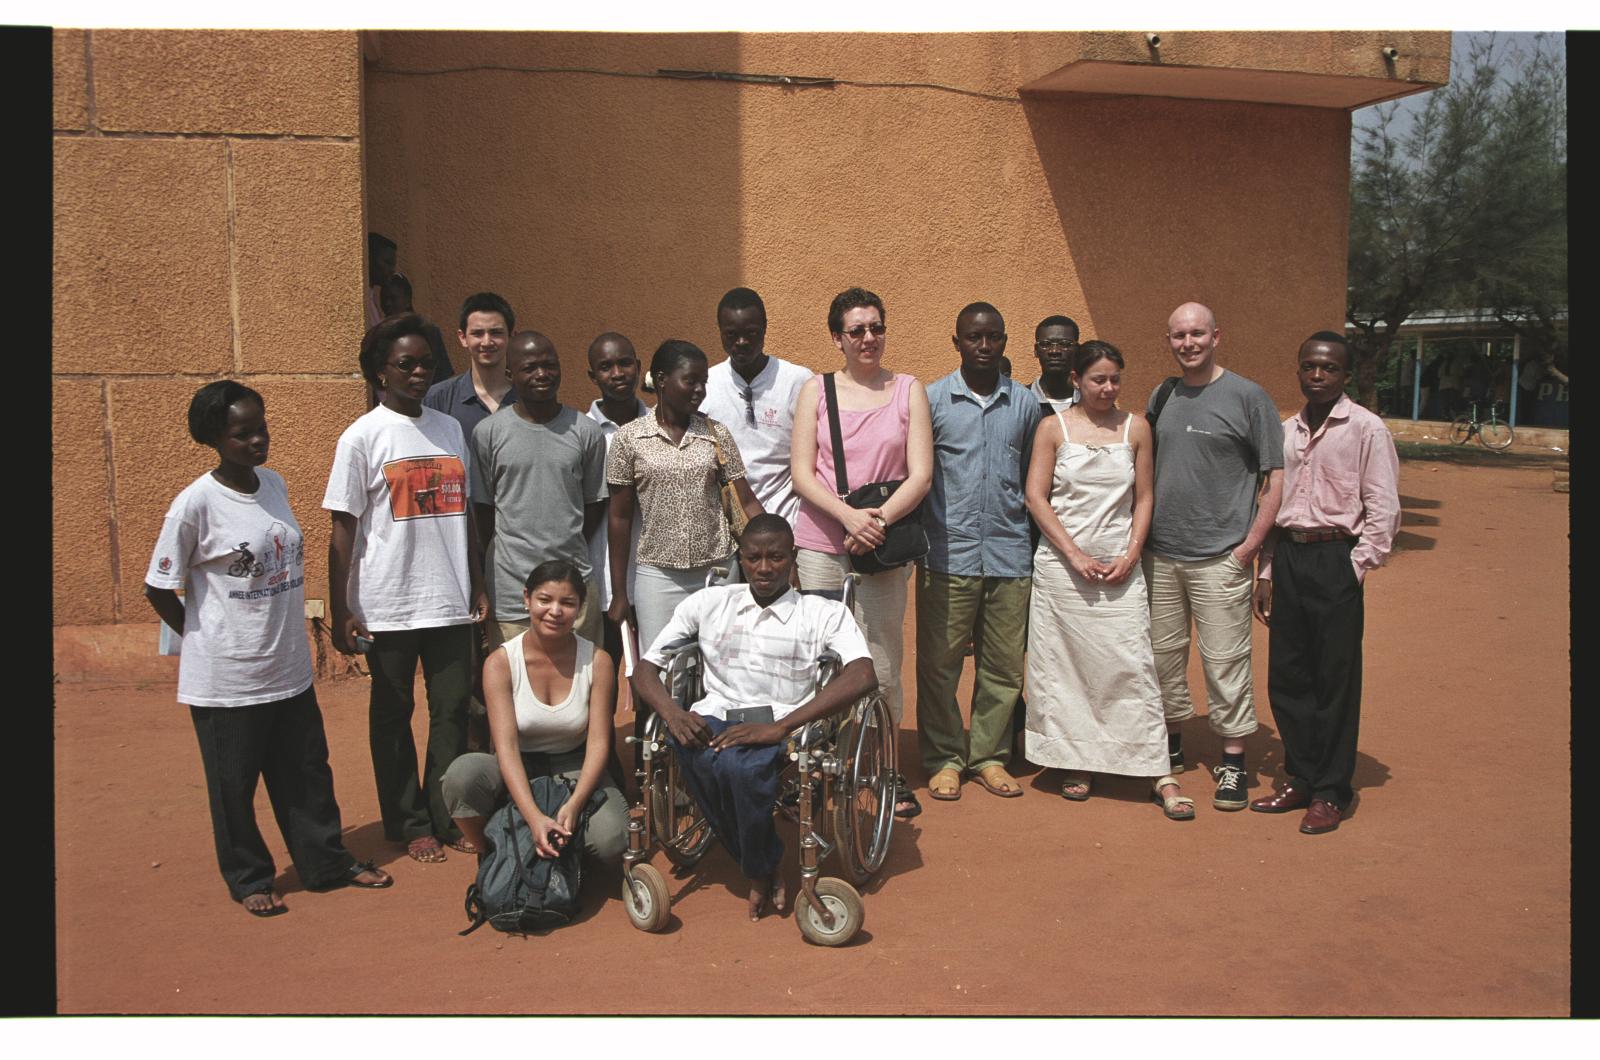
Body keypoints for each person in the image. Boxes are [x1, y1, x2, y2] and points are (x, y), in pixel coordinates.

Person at [146, 381, 392, 917]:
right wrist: (202, 637)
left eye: (261, 428)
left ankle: (325, 863)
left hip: (287, 667)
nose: (258, 440)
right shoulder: (195, 505)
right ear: (215, 438)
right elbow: (159, 587)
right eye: (243, 434)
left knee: (307, 772)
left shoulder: (273, 484)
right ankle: (249, 877)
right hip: (227, 679)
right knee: (233, 785)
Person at [633, 514, 878, 920]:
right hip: (716, 711)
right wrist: (672, 713)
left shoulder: (823, 613)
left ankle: (758, 868)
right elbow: (646, 668)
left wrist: (780, 727)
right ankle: (762, 863)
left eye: (776, 557)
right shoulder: (710, 603)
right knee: (691, 747)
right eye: (753, 558)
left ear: (793, 557)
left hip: (784, 720)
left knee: (739, 769)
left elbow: (863, 674)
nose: (764, 568)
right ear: (740, 559)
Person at [324, 313, 489, 864]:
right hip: (388, 602)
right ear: (380, 371)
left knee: (451, 711)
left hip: (448, 600)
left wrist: (476, 582)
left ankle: (444, 815)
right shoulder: (362, 437)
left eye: (426, 364)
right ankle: (408, 821)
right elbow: (343, 528)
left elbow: (465, 516)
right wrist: (342, 608)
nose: (418, 373)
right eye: (405, 364)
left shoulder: (449, 430)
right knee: (393, 713)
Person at [1024, 341, 1192, 819]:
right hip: (1062, 572)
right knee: (1066, 670)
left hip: (1121, 569)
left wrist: (1131, 552)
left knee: (1133, 665)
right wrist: (1074, 554)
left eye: (1115, 378)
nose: (1108, 388)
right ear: (1076, 379)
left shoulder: (1136, 428)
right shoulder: (1052, 428)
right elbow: (1036, 497)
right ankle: (1076, 761)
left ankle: (1156, 768)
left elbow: (1144, 497)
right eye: (1098, 379)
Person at [791, 287, 933, 819]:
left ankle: (884, 764)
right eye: (857, 330)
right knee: (823, 657)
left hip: (883, 546)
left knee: (882, 658)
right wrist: (848, 517)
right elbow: (802, 473)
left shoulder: (908, 391)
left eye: (876, 327)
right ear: (838, 339)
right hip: (822, 545)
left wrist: (876, 522)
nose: (869, 338)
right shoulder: (816, 391)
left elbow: (920, 474)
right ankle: (821, 762)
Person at [1250, 332, 1400, 834]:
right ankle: (1301, 776)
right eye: (1310, 366)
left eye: (1330, 368)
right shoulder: (1284, 431)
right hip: (1290, 556)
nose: (1318, 375)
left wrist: (1356, 565)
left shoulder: (1366, 429)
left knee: (1334, 677)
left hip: (1336, 557)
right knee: (1288, 676)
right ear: (1298, 369)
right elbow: (1271, 504)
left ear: (1345, 375)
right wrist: (1267, 571)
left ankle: (1331, 790)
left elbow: (1383, 506)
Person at [1144, 302, 1284, 811]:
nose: (1188, 343)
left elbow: (1276, 479)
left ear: (1216, 336)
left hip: (1221, 556)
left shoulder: (1249, 397)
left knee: (1226, 662)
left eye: (1197, 334)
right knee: (1162, 657)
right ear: (1169, 340)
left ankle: (1232, 761)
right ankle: (1172, 743)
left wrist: (1248, 548)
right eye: (1179, 335)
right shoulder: (1163, 395)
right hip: (1162, 556)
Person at [916, 302, 1040, 802]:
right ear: (957, 342)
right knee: (939, 666)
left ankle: (989, 756)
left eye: (993, 337)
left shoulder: (1025, 404)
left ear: (1005, 342)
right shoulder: (932, 401)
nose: (984, 346)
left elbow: (1033, 480)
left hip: (1010, 554)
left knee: (1004, 668)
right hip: (948, 554)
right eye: (973, 337)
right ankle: (945, 758)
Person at [440, 561, 628, 862]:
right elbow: (506, 747)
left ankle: (560, 849)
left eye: (567, 603)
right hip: (519, 764)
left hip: (575, 765)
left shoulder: (598, 661)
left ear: (580, 608)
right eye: (545, 600)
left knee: (613, 841)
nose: (555, 611)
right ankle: (492, 854)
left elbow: (598, 744)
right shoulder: (500, 663)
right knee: (462, 776)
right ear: (527, 599)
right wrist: (532, 816)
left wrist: (575, 805)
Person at [604, 339, 763, 671]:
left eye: (703, 382)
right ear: (662, 380)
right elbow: (619, 517)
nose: (700, 390)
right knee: (661, 669)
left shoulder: (716, 434)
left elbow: (745, 499)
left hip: (718, 573)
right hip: (658, 577)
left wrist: (776, 549)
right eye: (691, 381)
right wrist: (619, 592)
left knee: (720, 669)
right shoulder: (629, 438)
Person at [473, 331, 609, 652]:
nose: (542, 374)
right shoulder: (488, 433)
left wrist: (564, 543)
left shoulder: (586, 431)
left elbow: (593, 504)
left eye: (549, 365)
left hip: (573, 584)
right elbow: (483, 511)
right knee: (514, 677)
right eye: (530, 367)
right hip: (511, 588)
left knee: (581, 676)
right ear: (510, 374)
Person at [700, 287, 813, 526]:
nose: (741, 342)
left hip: (788, 523)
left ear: (765, 328)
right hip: (727, 526)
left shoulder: (798, 381)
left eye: (751, 333)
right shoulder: (706, 385)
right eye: (731, 334)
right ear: (720, 332)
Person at [584, 332, 650, 667]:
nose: (617, 373)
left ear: (638, 366)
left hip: (653, 579)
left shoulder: (659, 425)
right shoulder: (582, 432)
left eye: (625, 363)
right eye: (606, 367)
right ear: (592, 376)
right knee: (602, 673)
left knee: (651, 675)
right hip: (601, 580)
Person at [423, 291, 515, 443]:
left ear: (511, 336)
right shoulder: (437, 400)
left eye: (496, 333)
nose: (487, 342)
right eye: (477, 334)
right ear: (463, 338)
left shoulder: (528, 399)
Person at [378, 273, 453, 386]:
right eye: (384, 299)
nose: (387, 303)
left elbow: (442, 375)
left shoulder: (428, 331)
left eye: (393, 298)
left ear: (407, 301)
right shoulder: (381, 334)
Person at [1031, 314, 1080, 413]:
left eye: (1064, 344)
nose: (1054, 351)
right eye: (1045, 344)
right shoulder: (1019, 401)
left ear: (1077, 350)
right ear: (1036, 351)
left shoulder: (1092, 401)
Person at [367, 232, 396, 328]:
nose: (392, 270)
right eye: (388, 262)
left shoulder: (372, 298)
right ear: (369, 258)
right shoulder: (360, 299)